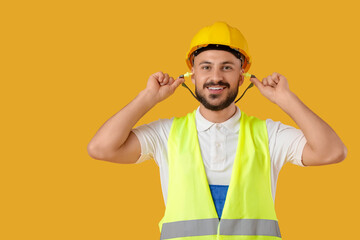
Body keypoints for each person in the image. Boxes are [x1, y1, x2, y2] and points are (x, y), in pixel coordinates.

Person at [87, 22, 347, 240]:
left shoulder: (269, 135)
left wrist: (286, 100)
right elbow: (101, 148)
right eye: (206, 66)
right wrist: (148, 98)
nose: (215, 77)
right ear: (193, 75)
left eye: (227, 67)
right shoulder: (167, 134)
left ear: (241, 77)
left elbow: (332, 152)